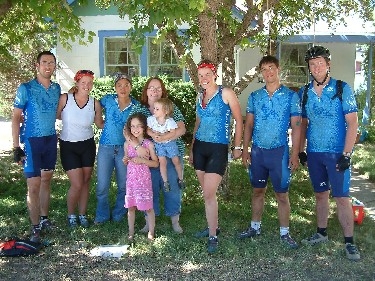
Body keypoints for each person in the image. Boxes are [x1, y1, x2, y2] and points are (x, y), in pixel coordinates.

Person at [299, 45, 360, 261]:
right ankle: (321, 232)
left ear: (328, 65)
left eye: (320, 63)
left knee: (342, 197)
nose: (316, 67)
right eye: (312, 64)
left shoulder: (342, 88)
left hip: (336, 152)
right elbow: (303, 124)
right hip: (315, 152)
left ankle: (349, 242)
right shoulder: (304, 91)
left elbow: (352, 124)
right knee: (320, 195)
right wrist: (300, 149)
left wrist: (346, 154)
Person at [238, 55, 301, 249]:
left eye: (271, 67)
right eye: (264, 69)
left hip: (279, 152)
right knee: (257, 191)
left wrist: (295, 153)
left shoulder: (291, 96)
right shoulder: (255, 97)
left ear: (278, 69)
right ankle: (254, 227)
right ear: (261, 73)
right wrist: (245, 149)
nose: (268, 72)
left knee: (282, 194)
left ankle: (284, 233)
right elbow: (248, 125)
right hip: (258, 152)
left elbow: (297, 126)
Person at [189, 59, 243, 254]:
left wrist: (238, 146)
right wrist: (192, 147)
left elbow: (238, 119)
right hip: (200, 147)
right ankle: (213, 226)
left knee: (209, 193)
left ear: (215, 75)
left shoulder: (225, 93)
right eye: (200, 75)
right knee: (207, 193)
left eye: (207, 74)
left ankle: (213, 236)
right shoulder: (199, 96)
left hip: (218, 148)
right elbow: (198, 122)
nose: (204, 78)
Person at [11, 51, 61, 243]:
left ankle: (44, 219)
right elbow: (16, 118)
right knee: (34, 184)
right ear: (37, 65)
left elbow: (60, 110)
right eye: (44, 62)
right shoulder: (26, 88)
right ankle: (34, 227)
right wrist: (16, 147)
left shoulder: (56, 88)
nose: (48, 66)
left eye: (51, 62)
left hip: (50, 140)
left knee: (47, 180)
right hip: (31, 141)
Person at [130, 77, 186, 234]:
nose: (155, 91)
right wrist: (142, 143)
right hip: (148, 157)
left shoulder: (169, 106)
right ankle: (149, 222)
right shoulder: (139, 109)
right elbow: (130, 129)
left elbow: (181, 129)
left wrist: (164, 138)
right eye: (151, 88)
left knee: (173, 187)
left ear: (163, 91)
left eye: (158, 88)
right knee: (149, 188)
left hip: (171, 152)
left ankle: (175, 221)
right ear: (146, 91)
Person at [57, 70, 103, 228]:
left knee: (85, 181)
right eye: (83, 82)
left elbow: (99, 123)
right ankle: (71, 215)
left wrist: (118, 123)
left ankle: (82, 214)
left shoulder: (94, 103)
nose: (86, 85)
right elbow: (55, 115)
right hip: (68, 145)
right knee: (76, 183)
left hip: (87, 145)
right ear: (76, 83)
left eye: (89, 82)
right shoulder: (65, 98)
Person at [94, 73, 140, 224]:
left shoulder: (136, 106)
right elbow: (93, 104)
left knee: (123, 184)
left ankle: (119, 213)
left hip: (124, 149)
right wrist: (99, 121)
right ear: (115, 87)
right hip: (106, 147)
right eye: (119, 85)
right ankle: (102, 215)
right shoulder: (108, 99)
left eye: (126, 85)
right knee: (102, 184)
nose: (123, 88)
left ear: (131, 87)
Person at [123, 113, 159, 241]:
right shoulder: (127, 144)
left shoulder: (148, 144)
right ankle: (131, 232)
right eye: (132, 126)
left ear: (144, 127)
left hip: (144, 181)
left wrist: (143, 161)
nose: (135, 129)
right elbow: (126, 158)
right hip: (131, 181)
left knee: (148, 208)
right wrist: (126, 159)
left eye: (139, 126)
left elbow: (155, 163)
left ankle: (151, 232)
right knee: (131, 207)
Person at [147, 97, 184, 191]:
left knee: (176, 161)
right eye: (154, 108)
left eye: (157, 109)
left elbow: (173, 133)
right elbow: (148, 130)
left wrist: (163, 137)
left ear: (165, 111)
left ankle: (181, 178)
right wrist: (153, 135)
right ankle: (165, 182)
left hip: (169, 143)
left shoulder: (170, 121)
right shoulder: (151, 120)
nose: (154, 110)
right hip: (159, 145)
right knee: (162, 162)